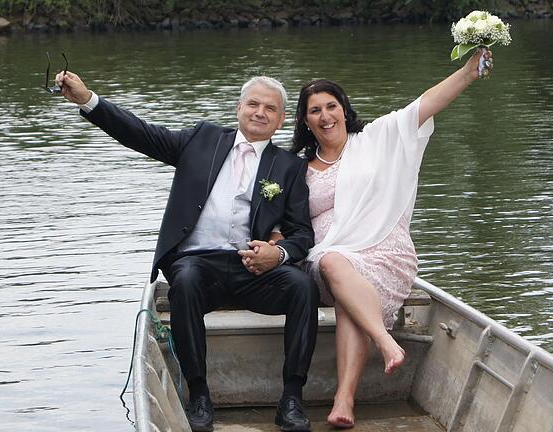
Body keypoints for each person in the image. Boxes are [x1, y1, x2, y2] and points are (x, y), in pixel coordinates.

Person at [54, 72, 319, 432]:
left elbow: (302, 232)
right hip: (198, 262)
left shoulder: (288, 167)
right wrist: (89, 100)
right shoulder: (202, 139)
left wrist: (279, 255)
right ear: (239, 107)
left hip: (254, 268)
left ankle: (290, 399)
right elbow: (141, 134)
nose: (260, 112)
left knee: (303, 287)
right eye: (253, 104)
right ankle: (198, 395)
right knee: (187, 279)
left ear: (281, 119)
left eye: (270, 108)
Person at [287, 49, 494, 428]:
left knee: (347, 285)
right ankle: (384, 342)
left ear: (344, 110)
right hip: (327, 257)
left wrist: (467, 72)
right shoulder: (298, 168)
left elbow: (426, 104)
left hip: (384, 249)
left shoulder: (376, 138)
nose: (325, 116)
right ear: (305, 120)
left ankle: (344, 401)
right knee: (334, 262)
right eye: (315, 110)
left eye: (331, 106)